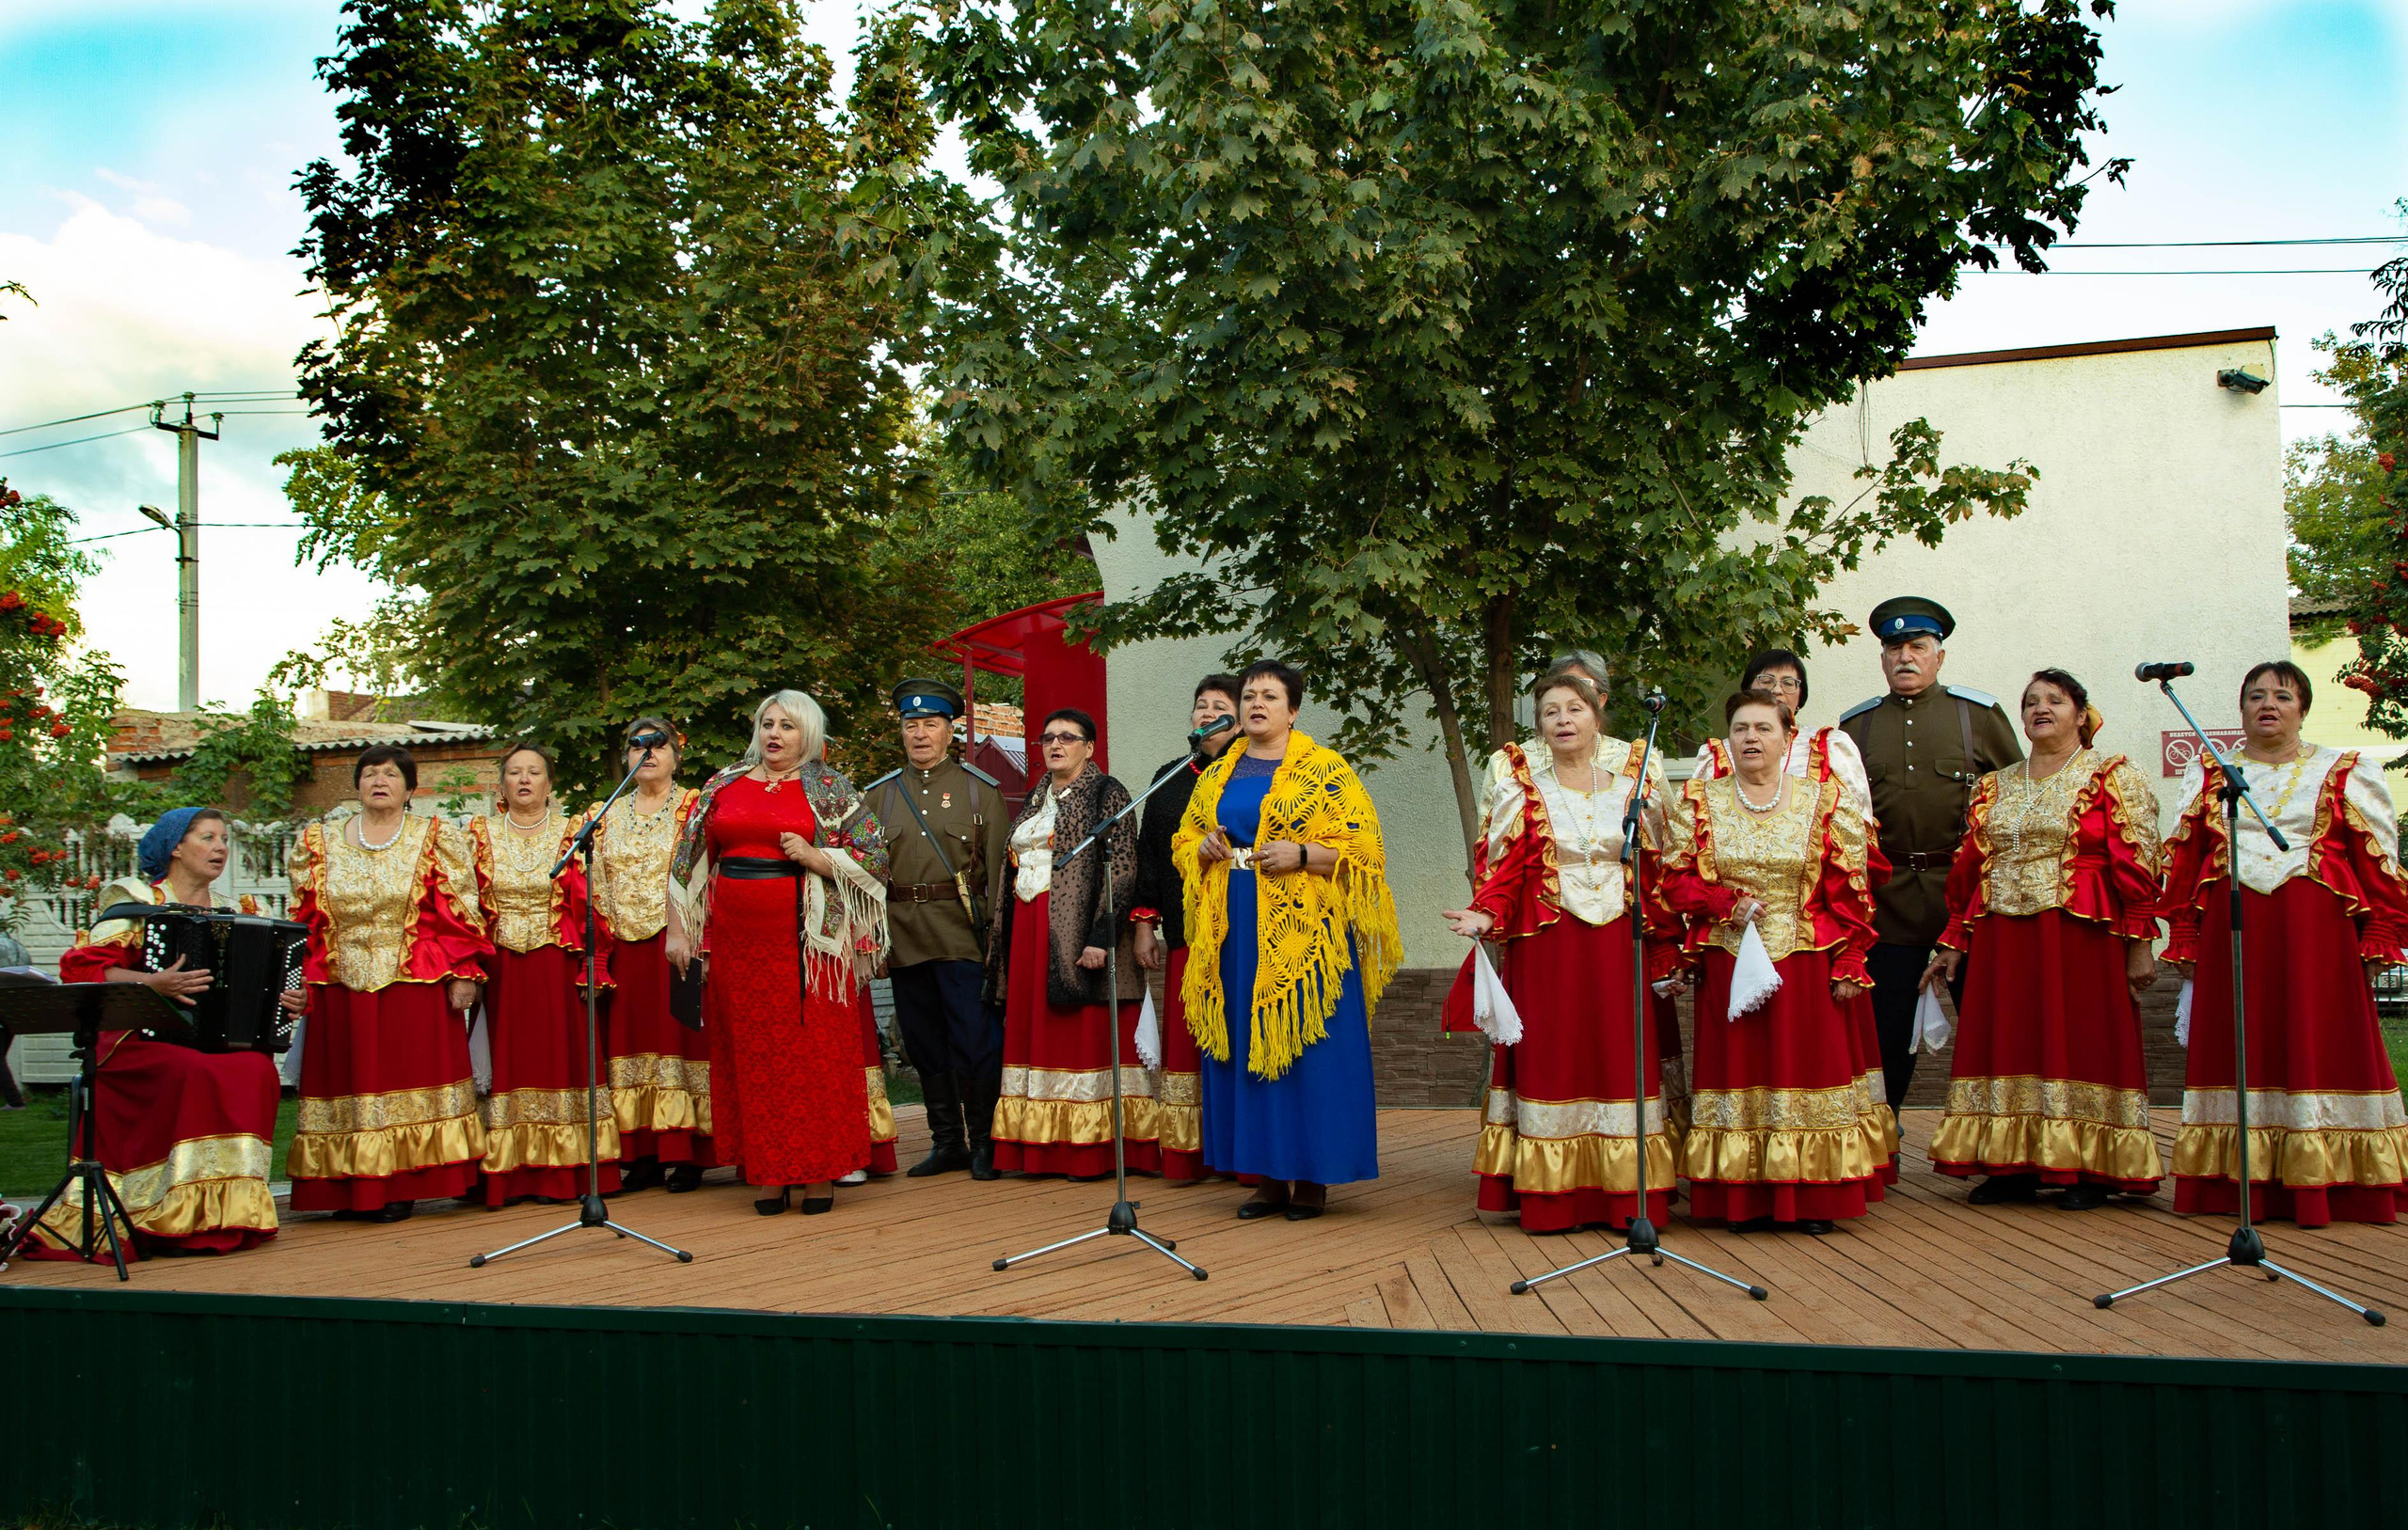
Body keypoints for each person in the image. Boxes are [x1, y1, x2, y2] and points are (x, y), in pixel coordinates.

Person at [2161, 661, 2408, 1226]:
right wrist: (2187, 931)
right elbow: (2184, 860)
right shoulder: (2209, 773)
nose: (2267, 704)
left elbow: (2380, 861)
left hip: (2315, 934)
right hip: (2234, 928)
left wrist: (2380, 932)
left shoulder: (2345, 769)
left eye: (2282, 696)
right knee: (2239, 1043)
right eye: (2255, 696)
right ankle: (2238, 1183)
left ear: (2303, 708)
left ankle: (2334, 1181)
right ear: (2241, 708)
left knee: (2317, 1041)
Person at [1440, 670, 1678, 1231]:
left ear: (1598, 718)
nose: (1564, 720)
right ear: (1539, 726)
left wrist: (1670, 948)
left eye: (1574, 709)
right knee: (1555, 1056)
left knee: (1620, 1056)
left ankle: (1626, 1200)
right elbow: (1507, 871)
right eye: (1550, 712)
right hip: (1549, 945)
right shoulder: (1523, 792)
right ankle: (1554, 1198)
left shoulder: (1633, 790)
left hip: (1622, 944)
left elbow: (1659, 874)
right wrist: (1487, 912)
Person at [1922, 670, 2165, 1207]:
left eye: (2055, 700)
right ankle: (2010, 1165)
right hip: (2002, 936)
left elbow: (2139, 860)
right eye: (2030, 701)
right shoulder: (1995, 784)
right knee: (2007, 1038)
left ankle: (2088, 1168)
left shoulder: (2113, 775)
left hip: (2080, 934)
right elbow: (1969, 870)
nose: (2040, 708)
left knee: (2081, 1040)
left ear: (2082, 714)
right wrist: (1955, 940)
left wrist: (2141, 941)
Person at [1658, 690, 1893, 1232]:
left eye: (1764, 728)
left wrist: (1852, 958)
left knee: (1804, 1073)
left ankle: (1809, 1197)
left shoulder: (1824, 800)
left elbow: (1852, 889)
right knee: (1738, 1076)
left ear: (1788, 738)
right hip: (1728, 959)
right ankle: (1740, 1197)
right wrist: (1723, 902)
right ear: (1727, 740)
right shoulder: (1699, 800)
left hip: (1805, 960)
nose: (1751, 738)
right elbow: (1673, 879)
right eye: (1740, 728)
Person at [1174, 660, 1398, 1219]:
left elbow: (1364, 851)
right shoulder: (1218, 771)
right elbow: (1187, 835)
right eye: (1249, 696)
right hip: (1234, 926)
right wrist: (1201, 849)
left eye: (1270, 697)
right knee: (1247, 1045)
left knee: (1308, 1049)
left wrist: (1301, 855)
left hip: (1305, 930)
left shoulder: (1326, 769)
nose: (1256, 705)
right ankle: (1267, 1177)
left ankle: (1313, 1178)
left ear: (1293, 710)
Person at [24, 807, 298, 1258]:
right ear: (175, 846)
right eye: (208, 838)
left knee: (255, 1069)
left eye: (223, 840)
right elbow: (80, 968)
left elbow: (270, 982)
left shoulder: (237, 912)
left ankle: (220, 1215)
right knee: (193, 1070)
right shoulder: (135, 903)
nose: (220, 848)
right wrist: (152, 984)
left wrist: (290, 998)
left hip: (209, 1041)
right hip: (137, 1039)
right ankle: (162, 1209)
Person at [667, 690, 889, 1215]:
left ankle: (818, 1175)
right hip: (737, 945)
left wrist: (816, 856)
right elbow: (686, 861)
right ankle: (768, 1172)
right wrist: (679, 932)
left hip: (811, 944)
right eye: (768, 724)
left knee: (814, 1056)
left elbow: (875, 853)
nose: (775, 734)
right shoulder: (723, 783)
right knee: (754, 1054)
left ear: (807, 734)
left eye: (788, 726)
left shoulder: (830, 788)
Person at [286, 747, 492, 1221]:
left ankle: (401, 1186)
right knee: (347, 1082)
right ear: (356, 785)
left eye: (392, 774)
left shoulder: (434, 836)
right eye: (370, 773)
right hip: (339, 984)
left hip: (414, 983)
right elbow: (305, 920)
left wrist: (464, 975)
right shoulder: (318, 842)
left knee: (407, 1081)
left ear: (410, 789)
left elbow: (462, 911)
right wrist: (300, 980)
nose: (380, 781)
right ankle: (349, 1186)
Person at [1837, 596, 2022, 1112]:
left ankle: (1999, 1142)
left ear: (1939, 656)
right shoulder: (1856, 728)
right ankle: (1881, 1133)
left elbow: (2019, 796)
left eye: (1917, 647)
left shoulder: (1978, 717)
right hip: (1887, 899)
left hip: (1963, 898)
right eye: (1894, 648)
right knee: (1884, 1026)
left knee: (1987, 1025)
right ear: (1881, 659)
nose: (1905, 657)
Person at [984, 707, 1157, 1175]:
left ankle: (1088, 1148)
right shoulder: (1037, 795)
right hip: (1029, 932)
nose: (1055, 745)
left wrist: (1101, 937)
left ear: (1089, 747)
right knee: (1033, 1033)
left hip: (1077, 934)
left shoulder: (1107, 791)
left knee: (1078, 1036)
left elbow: (1121, 870)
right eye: (1048, 738)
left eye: (1068, 737)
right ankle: (1040, 1146)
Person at [862, 677, 1009, 1180]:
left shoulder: (977, 791)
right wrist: (872, 940)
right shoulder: (878, 797)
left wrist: (994, 942)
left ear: (951, 731)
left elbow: (994, 876)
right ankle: (947, 1142)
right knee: (923, 1043)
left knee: (975, 1040)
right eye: (911, 725)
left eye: (931, 724)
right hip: (903, 937)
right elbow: (868, 877)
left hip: (961, 934)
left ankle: (986, 1144)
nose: (920, 734)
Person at [468, 743, 620, 1206]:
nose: (524, 779)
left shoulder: (574, 833)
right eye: (514, 772)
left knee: (563, 1060)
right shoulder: (477, 834)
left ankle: (569, 1173)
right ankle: (508, 1172)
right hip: (503, 969)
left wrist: (593, 964)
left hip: (558, 964)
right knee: (508, 1064)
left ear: (550, 785)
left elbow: (598, 899)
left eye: (534, 772)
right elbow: (465, 904)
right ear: (501, 785)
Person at [588, 718, 716, 1192]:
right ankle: (642, 1153)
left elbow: (709, 875)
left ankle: (688, 1152)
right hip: (624, 949)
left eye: (657, 743)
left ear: (675, 754)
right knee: (630, 1049)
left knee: (680, 1045)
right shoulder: (603, 815)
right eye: (636, 745)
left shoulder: (695, 806)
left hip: (679, 943)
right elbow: (593, 886)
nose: (647, 751)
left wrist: (700, 937)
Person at [1132, 673, 1244, 1182]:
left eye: (1219, 705)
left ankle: (1240, 1148)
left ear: (1240, 719)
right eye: (1200, 705)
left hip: (1244, 930)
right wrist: (1143, 926)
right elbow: (1150, 860)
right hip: (1185, 929)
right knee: (1189, 1038)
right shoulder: (1169, 777)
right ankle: (1188, 1152)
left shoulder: (1256, 775)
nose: (1206, 713)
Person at [1693, 648, 1872, 819]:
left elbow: (1855, 820)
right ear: (1748, 689)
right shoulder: (1717, 755)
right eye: (1766, 680)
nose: (1777, 690)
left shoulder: (1830, 746)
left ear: (1800, 696)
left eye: (1788, 683)